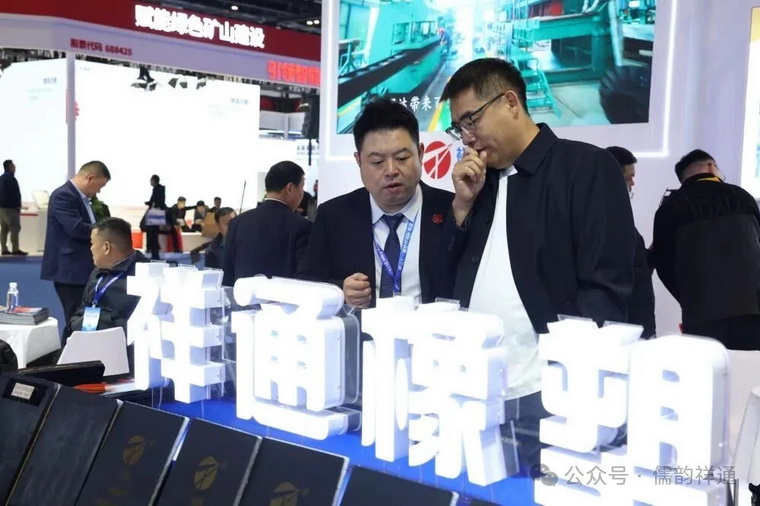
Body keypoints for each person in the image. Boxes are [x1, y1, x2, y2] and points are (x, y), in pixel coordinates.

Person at [440, 58, 635, 470]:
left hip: (549, 389)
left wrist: (573, 377)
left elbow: (606, 286)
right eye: (459, 128)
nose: (468, 138)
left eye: (472, 120)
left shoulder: (585, 167)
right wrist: (461, 207)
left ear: (511, 102)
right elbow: (449, 276)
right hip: (475, 387)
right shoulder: (478, 182)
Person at [299, 99, 454, 307]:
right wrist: (340, 290)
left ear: (420, 154)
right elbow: (306, 282)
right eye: (377, 162)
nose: (391, 170)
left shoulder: (451, 209)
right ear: (359, 161)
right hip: (362, 328)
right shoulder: (334, 216)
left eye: (401, 158)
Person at [651, 149, 760, 350]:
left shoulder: (671, 207)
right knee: (751, 366)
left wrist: (689, 297)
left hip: (701, 312)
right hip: (752, 308)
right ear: (711, 166)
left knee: (706, 367)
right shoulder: (743, 197)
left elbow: (663, 263)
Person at [41, 161, 111, 329]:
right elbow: (76, 228)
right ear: (90, 178)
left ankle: (81, 344)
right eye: (100, 186)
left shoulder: (81, 198)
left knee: (84, 317)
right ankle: (72, 345)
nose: (99, 191)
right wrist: (107, 234)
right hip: (70, 270)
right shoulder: (63, 196)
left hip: (82, 268)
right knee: (76, 318)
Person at [223, 161, 311, 286]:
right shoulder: (302, 227)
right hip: (283, 297)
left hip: (242, 296)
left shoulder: (237, 223)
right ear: (290, 188)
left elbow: (228, 274)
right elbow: (304, 278)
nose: (303, 193)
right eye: (302, 186)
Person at [67, 217, 149, 342]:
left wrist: (101, 324)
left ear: (106, 247)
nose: (91, 248)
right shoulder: (98, 271)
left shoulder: (143, 276)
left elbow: (135, 327)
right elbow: (82, 308)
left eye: (92, 243)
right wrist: (77, 325)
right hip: (86, 341)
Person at [606, 146, 656, 338]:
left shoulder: (616, 215)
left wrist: (649, 256)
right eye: (629, 178)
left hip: (632, 319)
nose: (632, 183)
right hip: (624, 324)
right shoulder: (606, 217)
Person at [0, 159, 27, 255]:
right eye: (13, 166)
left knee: (4, 229)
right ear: (9, 167)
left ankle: (4, 248)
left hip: (2, 208)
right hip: (11, 208)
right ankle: (15, 249)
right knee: (14, 228)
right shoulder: (11, 179)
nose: (15, 168)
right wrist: (17, 206)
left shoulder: (1, 178)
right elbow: (14, 194)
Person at [144, 174, 167, 260]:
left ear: (154, 180)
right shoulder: (161, 189)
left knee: (152, 233)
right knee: (153, 233)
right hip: (157, 213)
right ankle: (153, 250)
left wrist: (150, 203)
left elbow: (156, 201)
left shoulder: (157, 189)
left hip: (155, 214)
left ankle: (153, 251)